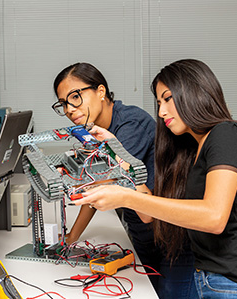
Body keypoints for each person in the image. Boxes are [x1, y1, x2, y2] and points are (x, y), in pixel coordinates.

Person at [75, 59, 237, 298]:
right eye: (159, 103)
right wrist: (115, 151)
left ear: (194, 92)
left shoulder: (226, 134)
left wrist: (124, 197)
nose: (161, 112)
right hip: (210, 279)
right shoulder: (191, 149)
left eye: (168, 98)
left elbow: (214, 217)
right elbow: (148, 214)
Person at [52, 62, 196, 298]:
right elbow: (97, 184)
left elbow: (103, 180)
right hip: (143, 233)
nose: (69, 109)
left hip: (172, 240)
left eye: (75, 97)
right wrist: (71, 238)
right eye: (63, 103)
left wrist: (69, 174)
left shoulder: (130, 124)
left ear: (100, 92)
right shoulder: (94, 131)